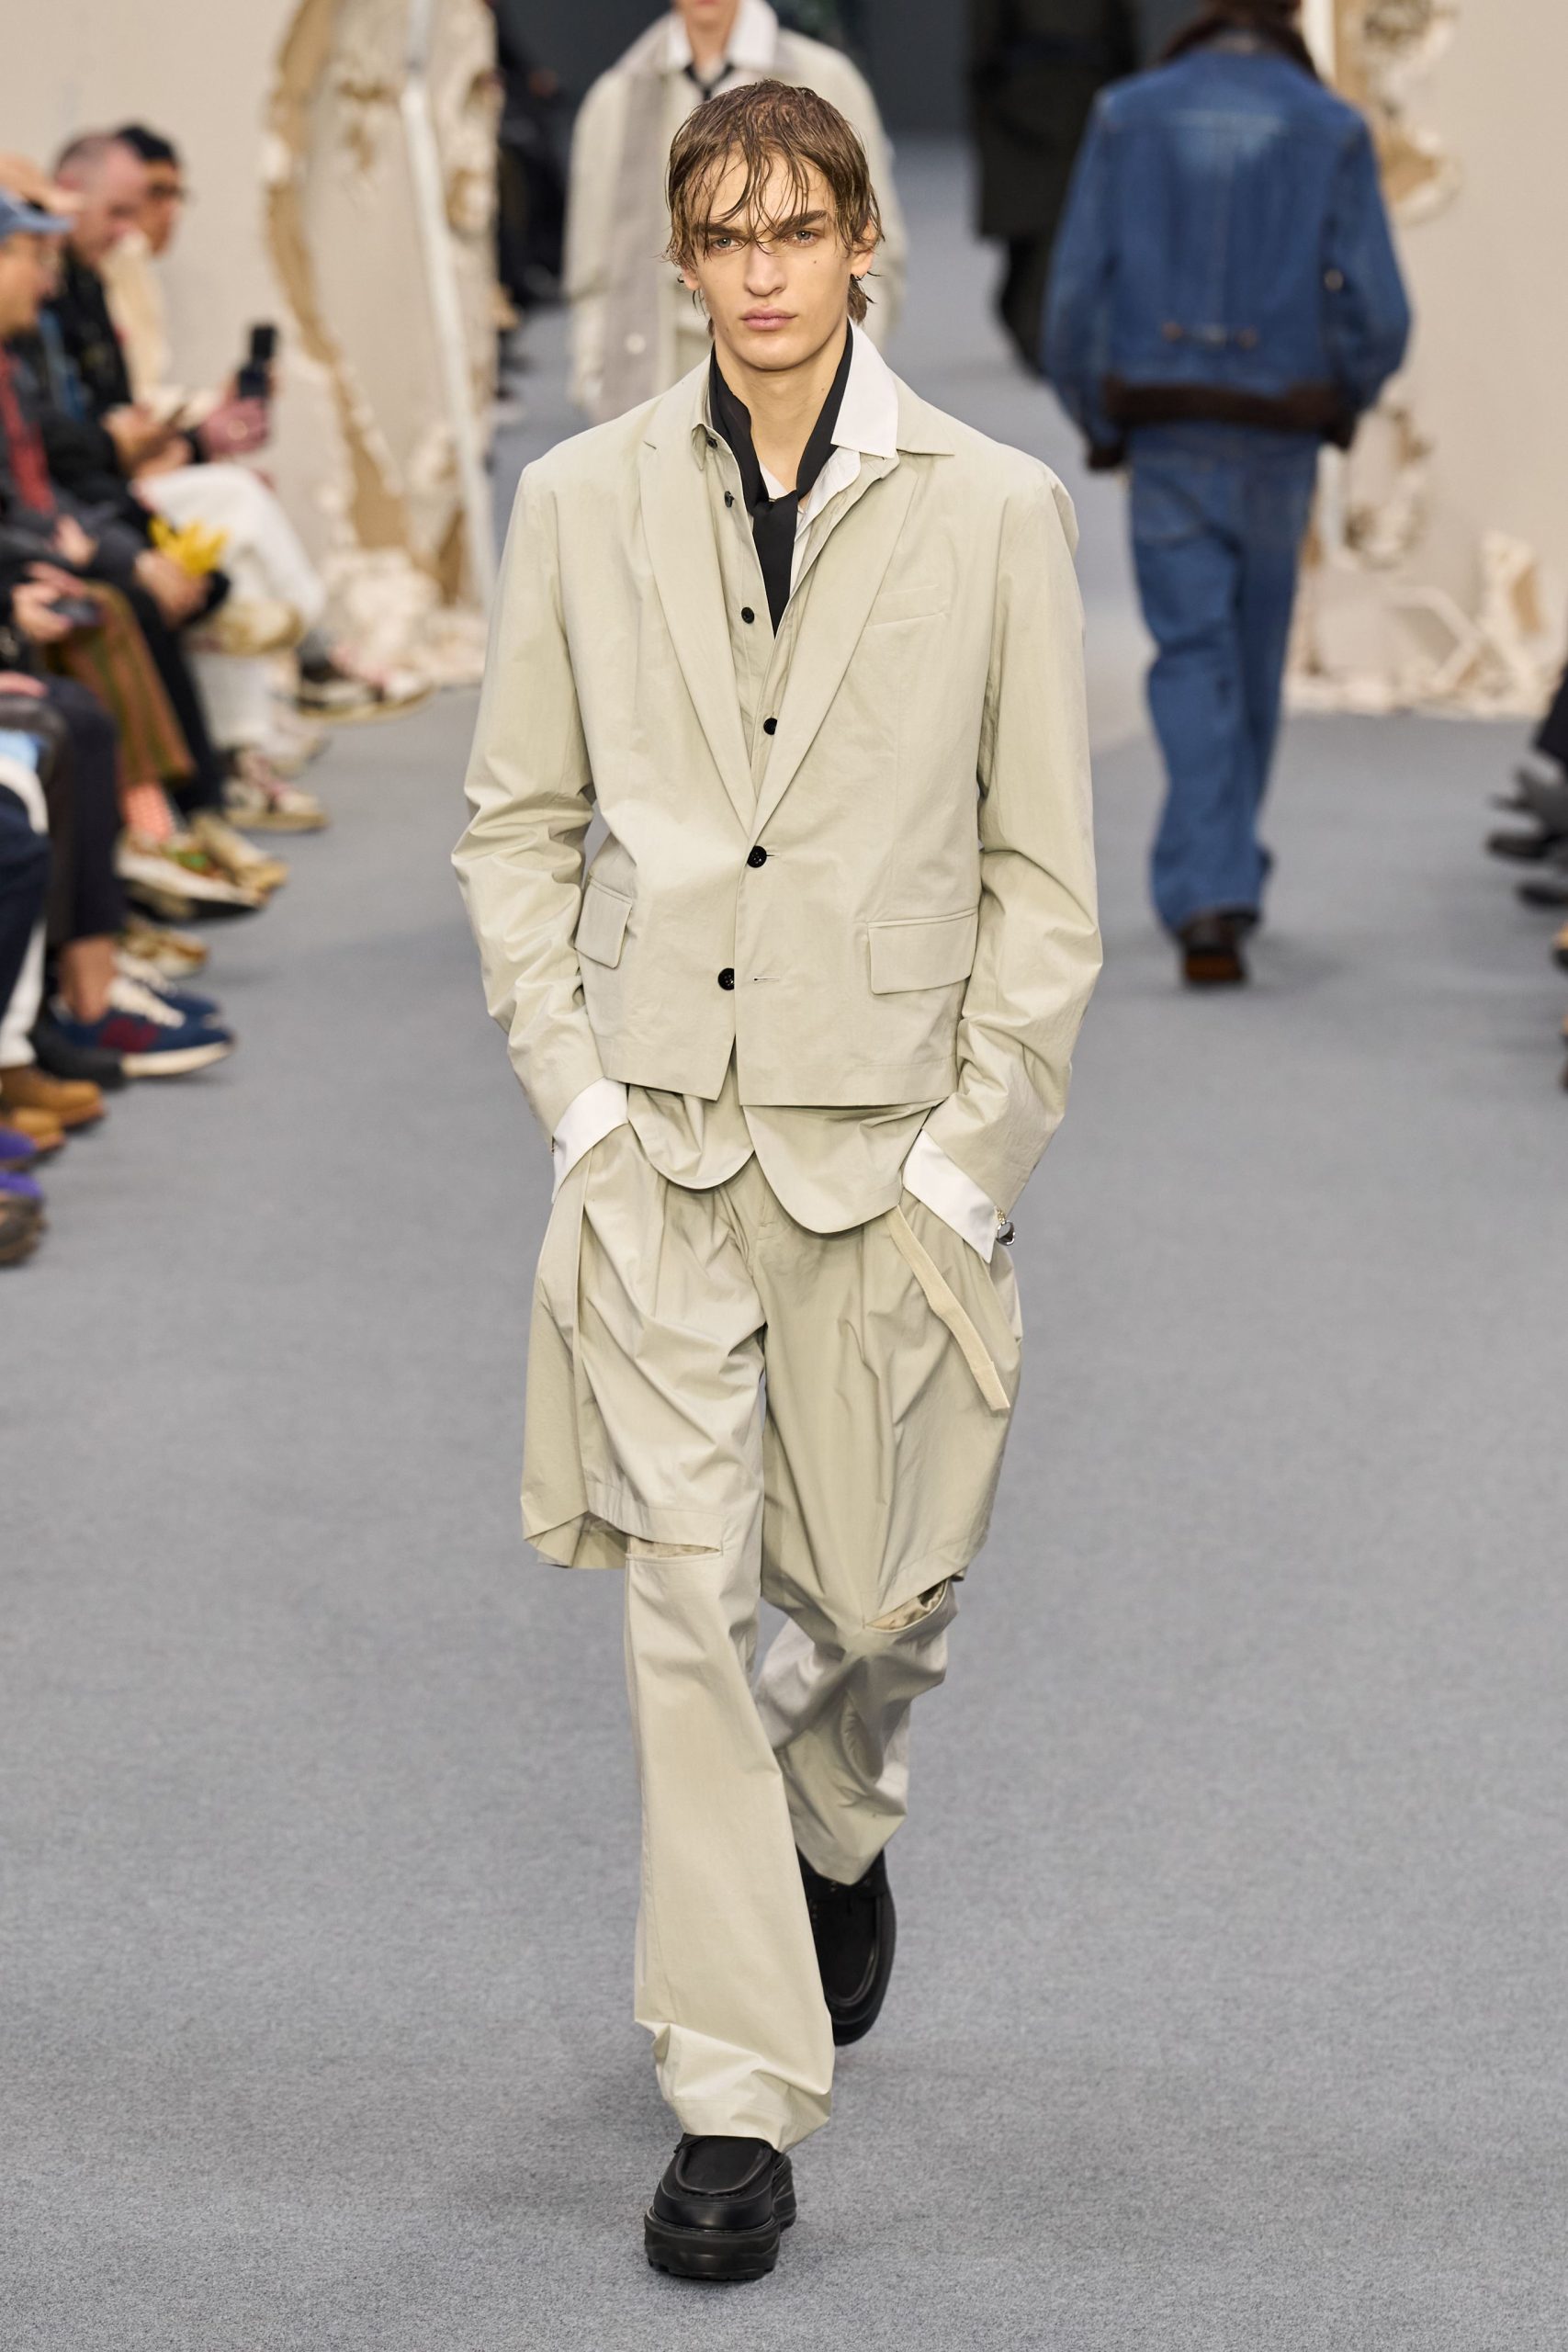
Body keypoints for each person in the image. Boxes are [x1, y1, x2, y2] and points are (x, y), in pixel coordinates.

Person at [457, 77, 1100, 2280]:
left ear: (857, 245)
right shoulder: (577, 501)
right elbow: (512, 823)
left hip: (885, 1159)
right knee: (685, 1620)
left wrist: (965, 1165)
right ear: (682, 256)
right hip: (656, 1153)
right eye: (721, 233)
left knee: (872, 1613)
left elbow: (1040, 878)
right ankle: (732, 2093)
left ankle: (834, 1824)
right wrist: (575, 1103)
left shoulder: (993, 509)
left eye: (793, 229)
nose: (757, 271)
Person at [1044, 0, 1410, 984]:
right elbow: (1380, 313)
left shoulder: (1127, 115)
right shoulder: (1330, 129)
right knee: (1248, 655)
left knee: (1192, 651)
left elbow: (1073, 298)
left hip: (1165, 424)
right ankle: (1219, 876)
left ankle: (1212, 882)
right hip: (1279, 433)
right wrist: (1340, 398)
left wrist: (1098, 413)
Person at [564, 0, 907, 423]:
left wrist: (852, 373)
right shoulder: (617, 98)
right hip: (658, 366)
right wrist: (595, 380)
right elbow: (592, 264)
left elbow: (875, 243)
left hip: (800, 370)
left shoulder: (826, 79)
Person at [967, 0, 1136, 371]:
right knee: (1032, 223)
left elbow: (1123, 41)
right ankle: (1033, 326)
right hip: (1029, 103)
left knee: (1055, 221)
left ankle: (1040, 330)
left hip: (1072, 98)